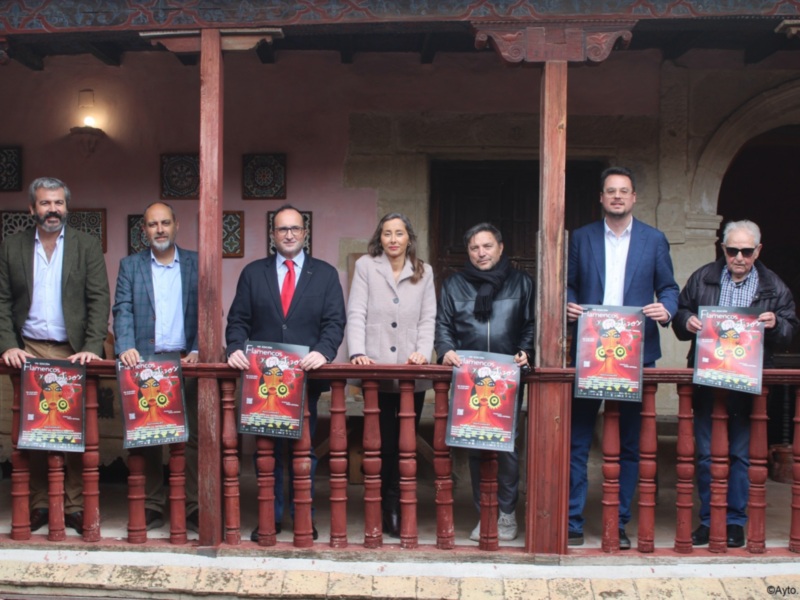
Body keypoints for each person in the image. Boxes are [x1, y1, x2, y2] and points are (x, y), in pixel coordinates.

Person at [567, 166, 679, 549]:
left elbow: (669, 287)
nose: (617, 196)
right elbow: (566, 282)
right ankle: (572, 521)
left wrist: (667, 308)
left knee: (631, 442)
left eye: (624, 191)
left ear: (633, 198)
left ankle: (620, 523)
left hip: (636, 354)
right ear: (601, 198)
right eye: (610, 191)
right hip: (589, 352)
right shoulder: (580, 238)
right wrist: (567, 302)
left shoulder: (654, 239)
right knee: (578, 439)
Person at [672, 220, 798, 548]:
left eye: (745, 250)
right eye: (732, 250)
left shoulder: (773, 286)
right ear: (723, 250)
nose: (738, 257)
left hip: (748, 381)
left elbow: (791, 327)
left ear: (757, 251)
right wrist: (687, 320)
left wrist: (776, 323)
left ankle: (735, 521)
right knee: (705, 454)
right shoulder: (703, 277)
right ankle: (708, 519)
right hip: (707, 381)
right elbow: (680, 313)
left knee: (741, 454)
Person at [226, 204, 345, 541]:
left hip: (305, 378)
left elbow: (335, 322)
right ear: (272, 235)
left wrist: (323, 352)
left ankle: (303, 516)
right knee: (268, 450)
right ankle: (271, 517)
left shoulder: (324, 274)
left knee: (303, 451)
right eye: (282, 229)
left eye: (295, 228)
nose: (289, 234)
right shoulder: (253, 273)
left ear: (305, 233)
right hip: (264, 381)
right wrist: (235, 348)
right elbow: (238, 320)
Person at [0, 176, 110, 535]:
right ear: (32, 208)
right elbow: (1, 301)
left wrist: (92, 349)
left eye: (58, 203)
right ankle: (39, 505)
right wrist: (7, 345)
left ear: (67, 207)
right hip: (27, 348)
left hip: (71, 351)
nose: (52, 210)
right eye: (45, 203)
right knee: (31, 434)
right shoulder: (11, 246)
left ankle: (75, 507)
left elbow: (98, 300)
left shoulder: (85, 245)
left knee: (73, 433)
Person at [434, 222, 534, 542]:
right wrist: (446, 350)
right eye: (475, 248)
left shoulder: (522, 283)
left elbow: (531, 324)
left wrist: (526, 351)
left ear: (500, 248)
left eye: (487, 246)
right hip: (469, 376)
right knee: (475, 447)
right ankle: (484, 512)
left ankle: (506, 514)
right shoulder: (454, 285)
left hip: (507, 377)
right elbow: (444, 324)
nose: (481, 253)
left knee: (507, 448)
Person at [346, 213, 436, 537]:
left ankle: (401, 502)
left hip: (413, 369)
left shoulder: (424, 272)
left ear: (409, 238)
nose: (394, 239)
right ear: (380, 238)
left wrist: (423, 354)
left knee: (406, 443)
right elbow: (356, 310)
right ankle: (385, 504)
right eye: (387, 233)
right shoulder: (366, 267)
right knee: (381, 441)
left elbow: (428, 319)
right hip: (377, 364)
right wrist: (357, 351)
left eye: (399, 233)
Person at [112, 201, 200, 532]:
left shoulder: (195, 262)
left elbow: (210, 306)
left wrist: (198, 348)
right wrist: (125, 347)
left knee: (193, 438)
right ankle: (151, 505)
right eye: (152, 224)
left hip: (186, 361)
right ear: (144, 230)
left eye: (165, 223)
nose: (159, 229)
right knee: (148, 436)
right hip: (146, 362)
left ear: (176, 225)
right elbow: (122, 308)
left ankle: (193, 505)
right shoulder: (130, 266)